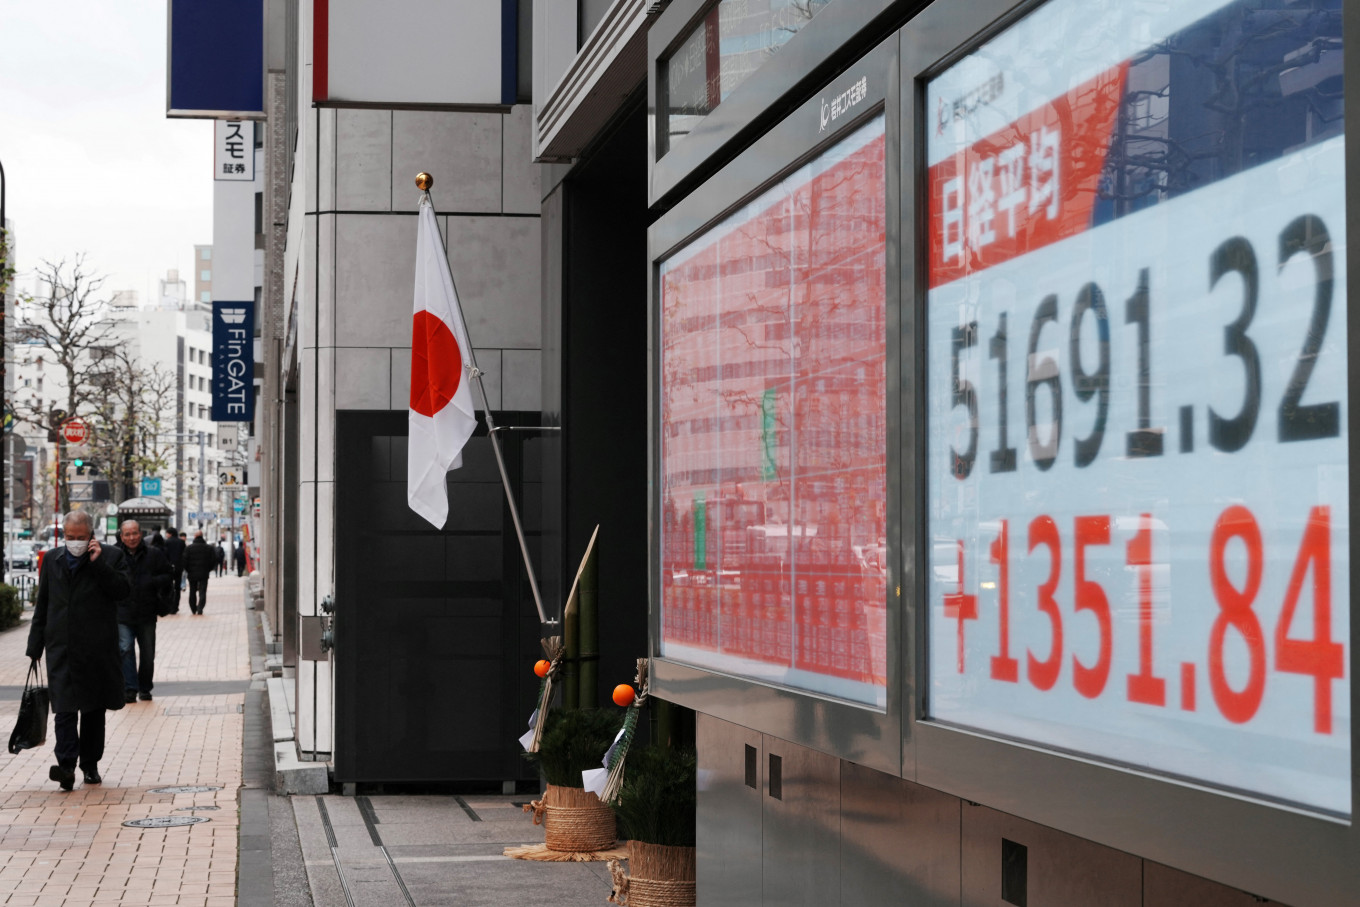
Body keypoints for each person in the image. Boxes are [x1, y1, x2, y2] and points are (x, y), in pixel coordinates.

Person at [25, 511, 132, 790]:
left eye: (80, 538)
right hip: (60, 646)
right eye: (70, 537)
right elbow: (44, 603)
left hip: (95, 648)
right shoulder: (52, 559)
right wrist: (35, 645)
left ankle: (90, 765)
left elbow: (122, 591)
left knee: (93, 710)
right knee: (64, 710)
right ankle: (66, 766)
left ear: (91, 536)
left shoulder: (111, 557)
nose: (74, 542)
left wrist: (98, 565)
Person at [114, 520, 172, 704]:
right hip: (123, 612)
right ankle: (130, 688)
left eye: (134, 533)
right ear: (122, 536)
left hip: (147, 612)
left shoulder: (154, 554)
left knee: (147, 653)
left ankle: (145, 687)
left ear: (141, 534)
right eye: (127, 534)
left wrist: (152, 582)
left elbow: (168, 575)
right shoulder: (115, 555)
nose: (131, 538)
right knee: (125, 649)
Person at [182, 531, 216, 615]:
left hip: (192, 573)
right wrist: (208, 569)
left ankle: (193, 608)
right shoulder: (209, 548)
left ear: (195, 537)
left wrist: (188, 570)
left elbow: (184, 561)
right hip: (204, 573)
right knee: (202, 591)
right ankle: (200, 607)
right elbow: (214, 561)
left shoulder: (189, 548)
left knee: (192, 591)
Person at [162, 528, 186, 614]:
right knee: (177, 587)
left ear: (170, 534)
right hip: (179, 567)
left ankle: (170, 605)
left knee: (169, 587)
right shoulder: (181, 542)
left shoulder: (167, 542)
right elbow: (184, 554)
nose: (166, 535)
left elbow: (164, 555)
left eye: (167, 533)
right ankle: (176, 606)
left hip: (169, 567)